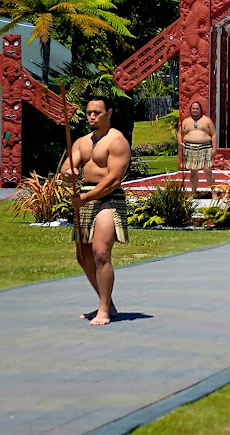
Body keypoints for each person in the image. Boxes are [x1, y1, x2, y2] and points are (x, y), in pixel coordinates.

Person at [61, 97, 130, 326]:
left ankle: (103, 310)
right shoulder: (81, 142)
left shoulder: (117, 140)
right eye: (89, 112)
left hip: (107, 198)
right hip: (84, 198)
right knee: (83, 257)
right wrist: (67, 173)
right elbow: (69, 166)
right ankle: (107, 302)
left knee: (101, 253)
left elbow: (113, 179)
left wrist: (86, 198)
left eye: (97, 112)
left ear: (108, 113)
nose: (92, 116)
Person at [178, 102, 217, 197]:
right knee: (193, 171)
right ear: (190, 110)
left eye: (197, 109)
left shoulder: (207, 120)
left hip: (205, 148)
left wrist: (214, 149)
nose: (195, 111)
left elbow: (214, 134)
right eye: (193, 109)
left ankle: (214, 192)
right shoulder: (186, 121)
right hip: (190, 148)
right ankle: (194, 192)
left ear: (200, 110)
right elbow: (179, 133)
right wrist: (180, 142)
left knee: (207, 169)